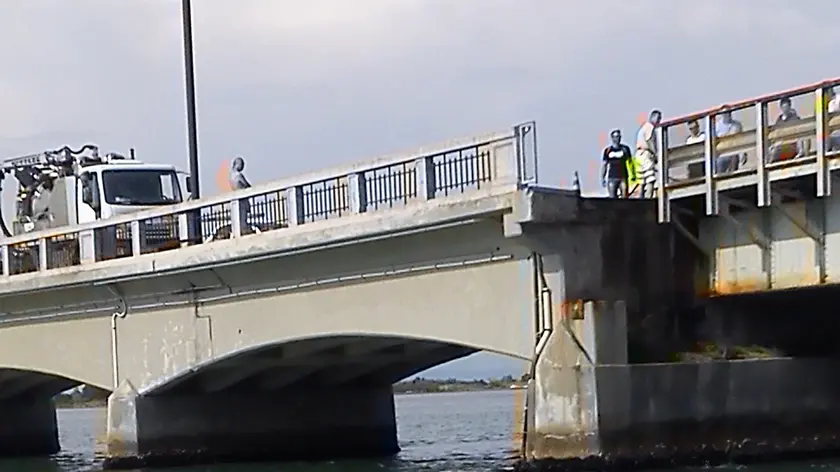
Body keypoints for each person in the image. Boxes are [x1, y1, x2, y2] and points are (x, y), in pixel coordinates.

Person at [768, 97, 805, 163]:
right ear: (781, 107)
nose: (785, 109)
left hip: (791, 144)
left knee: (776, 150)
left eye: (787, 107)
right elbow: (775, 133)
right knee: (771, 150)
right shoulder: (779, 120)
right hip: (780, 144)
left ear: (790, 107)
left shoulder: (795, 118)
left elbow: (799, 133)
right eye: (783, 107)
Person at [635, 109, 661, 199]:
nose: (659, 121)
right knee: (650, 176)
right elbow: (649, 141)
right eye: (658, 118)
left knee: (641, 178)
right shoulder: (650, 127)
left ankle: (640, 197)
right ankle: (648, 197)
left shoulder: (643, 127)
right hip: (646, 153)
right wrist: (655, 153)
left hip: (638, 154)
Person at [601, 129, 633, 198]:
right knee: (612, 198)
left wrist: (633, 175)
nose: (617, 138)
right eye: (615, 137)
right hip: (612, 177)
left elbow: (630, 162)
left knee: (625, 197)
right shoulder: (608, 150)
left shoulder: (625, 149)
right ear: (612, 138)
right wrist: (602, 177)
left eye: (619, 136)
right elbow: (604, 165)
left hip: (623, 177)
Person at [713, 105, 743, 173]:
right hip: (721, 155)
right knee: (720, 174)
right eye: (724, 113)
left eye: (728, 112)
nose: (727, 114)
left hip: (733, 154)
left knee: (733, 174)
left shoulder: (737, 125)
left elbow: (741, 140)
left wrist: (742, 153)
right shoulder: (716, 126)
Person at [229, 157, 252, 233]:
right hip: (242, 198)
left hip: (237, 198)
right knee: (243, 215)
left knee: (239, 215)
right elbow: (246, 184)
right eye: (241, 164)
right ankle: (243, 229)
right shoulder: (238, 175)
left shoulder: (230, 176)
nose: (242, 166)